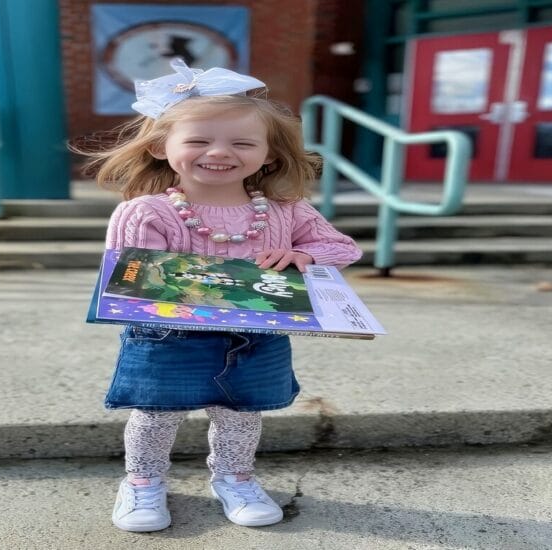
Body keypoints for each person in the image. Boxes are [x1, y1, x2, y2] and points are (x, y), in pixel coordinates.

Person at [92, 58, 362, 532]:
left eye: (242, 142)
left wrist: (303, 256)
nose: (219, 152)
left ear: (269, 153)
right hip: (168, 335)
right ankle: (142, 482)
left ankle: (234, 478)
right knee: (156, 416)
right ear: (160, 146)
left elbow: (340, 246)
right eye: (198, 140)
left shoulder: (284, 210)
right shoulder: (146, 212)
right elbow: (133, 278)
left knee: (240, 416)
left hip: (256, 336)